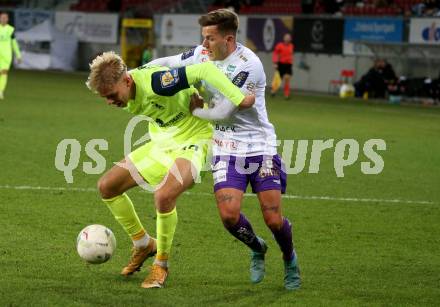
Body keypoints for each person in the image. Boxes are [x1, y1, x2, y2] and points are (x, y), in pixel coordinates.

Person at [149, 9, 300, 290]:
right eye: (203, 37)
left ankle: (289, 258)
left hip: (259, 146)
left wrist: (197, 112)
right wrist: (136, 73)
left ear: (228, 39)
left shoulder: (248, 65)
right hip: (226, 148)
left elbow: (224, 112)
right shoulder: (202, 54)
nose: (203, 45)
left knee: (273, 219)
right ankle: (257, 248)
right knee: (229, 217)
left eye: (210, 38)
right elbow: (167, 62)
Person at [86, 51, 254, 289]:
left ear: (126, 81)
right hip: (163, 142)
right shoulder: (127, 84)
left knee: (164, 195)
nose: (110, 102)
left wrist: (239, 99)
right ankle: (143, 243)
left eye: (112, 95)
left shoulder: (157, 83)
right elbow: (158, 65)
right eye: (105, 97)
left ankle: (161, 264)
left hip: (195, 140)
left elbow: (204, 71)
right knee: (107, 187)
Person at [0, 12, 21, 100]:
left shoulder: (11, 29)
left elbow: (14, 43)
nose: (4, 19)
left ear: (8, 19)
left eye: (5, 18)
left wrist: (18, 55)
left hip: (7, 55)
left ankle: (0, 91)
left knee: (3, 73)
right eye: (2, 17)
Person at [271, 33, 294, 99]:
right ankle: (273, 91)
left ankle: (286, 95)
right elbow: (275, 54)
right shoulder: (279, 45)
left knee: (287, 79)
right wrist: (275, 63)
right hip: (281, 64)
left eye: (289, 37)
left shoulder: (291, 46)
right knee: (278, 79)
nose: (287, 38)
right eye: (286, 37)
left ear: (290, 39)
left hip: (288, 65)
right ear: (284, 38)